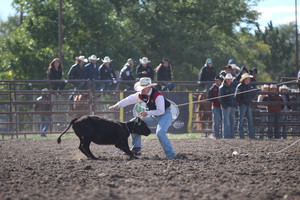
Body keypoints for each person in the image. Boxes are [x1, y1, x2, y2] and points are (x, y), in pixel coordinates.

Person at [109, 77, 176, 159]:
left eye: (143, 88)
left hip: (165, 115)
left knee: (160, 132)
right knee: (134, 123)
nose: (142, 90)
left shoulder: (157, 95)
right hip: (154, 116)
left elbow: (161, 111)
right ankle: (136, 148)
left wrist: (147, 113)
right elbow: (130, 99)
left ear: (149, 87)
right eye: (141, 88)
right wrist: (118, 105)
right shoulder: (141, 94)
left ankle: (171, 155)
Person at [235, 73, 255, 139]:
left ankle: (251, 135)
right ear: (245, 79)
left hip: (247, 105)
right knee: (241, 120)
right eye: (248, 78)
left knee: (250, 120)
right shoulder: (240, 86)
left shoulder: (248, 86)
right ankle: (241, 135)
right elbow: (236, 97)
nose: (249, 79)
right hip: (242, 105)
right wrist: (241, 103)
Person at [219, 73, 236, 139]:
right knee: (226, 122)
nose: (229, 80)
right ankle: (226, 136)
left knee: (232, 122)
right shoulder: (222, 88)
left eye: (230, 79)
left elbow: (234, 97)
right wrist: (226, 106)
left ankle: (231, 136)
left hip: (231, 106)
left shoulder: (232, 87)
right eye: (228, 79)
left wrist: (233, 105)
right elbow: (221, 99)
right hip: (225, 107)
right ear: (226, 79)